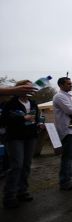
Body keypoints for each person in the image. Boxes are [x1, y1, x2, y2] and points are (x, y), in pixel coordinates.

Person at [1, 80, 41, 209]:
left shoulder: (33, 103)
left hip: (31, 136)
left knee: (26, 165)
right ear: (20, 88)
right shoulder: (10, 103)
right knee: (16, 165)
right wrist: (22, 118)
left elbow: (37, 117)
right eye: (28, 86)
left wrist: (39, 124)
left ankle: (22, 191)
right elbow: (3, 120)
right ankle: (9, 196)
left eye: (31, 86)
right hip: (15, 137)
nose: (31, 88)